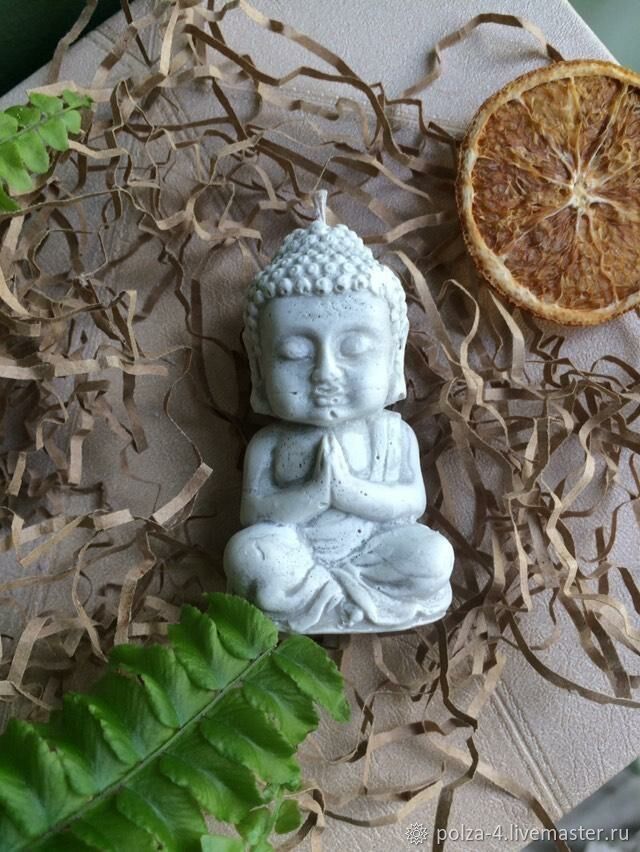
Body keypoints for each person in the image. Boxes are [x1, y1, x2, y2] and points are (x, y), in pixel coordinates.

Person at [223, 205, 454, 633]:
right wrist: (313, 495)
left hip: (377, 549)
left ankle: (329, 599)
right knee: (247, 554)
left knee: (434, 556)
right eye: (295, 352)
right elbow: (256, 514)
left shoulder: (394, 434)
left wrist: (348, 492)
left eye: (354, 349)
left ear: (393, 358)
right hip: (294, 554)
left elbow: (410, 505)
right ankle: (343, 599)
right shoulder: (270, 442)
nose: (325, 372)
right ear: (259, 366)